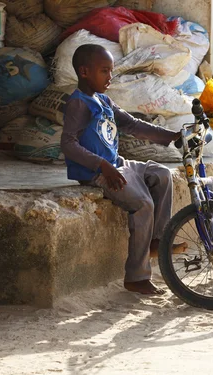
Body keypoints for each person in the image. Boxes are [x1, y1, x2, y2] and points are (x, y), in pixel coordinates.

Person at [60, 44, 187, 295]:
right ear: (84, 71)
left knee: (162, 175)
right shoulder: (78, 104)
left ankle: (156, 241)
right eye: (104, 71)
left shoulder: (103, 99)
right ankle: (136, 277)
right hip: (98, 173)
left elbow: (131, 124)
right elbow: (68, 144)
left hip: (117, 164)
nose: (110, 77)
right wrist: (102, 165)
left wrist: (170, 136)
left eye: (111, 71)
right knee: (143, 204)